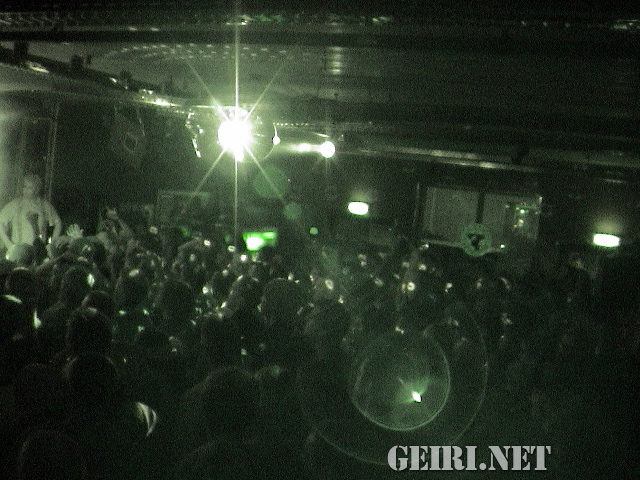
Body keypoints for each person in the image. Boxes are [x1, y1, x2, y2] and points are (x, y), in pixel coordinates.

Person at [0, 174, 62, 259]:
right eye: (24, 186)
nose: (25, 190)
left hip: (39, 253)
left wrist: (50, 243)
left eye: (30, 188)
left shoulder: (45, 206)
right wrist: (10, 246)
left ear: (37, 190)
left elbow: (57, 223)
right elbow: (0, 223)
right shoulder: (15, 204)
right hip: (19, 254)